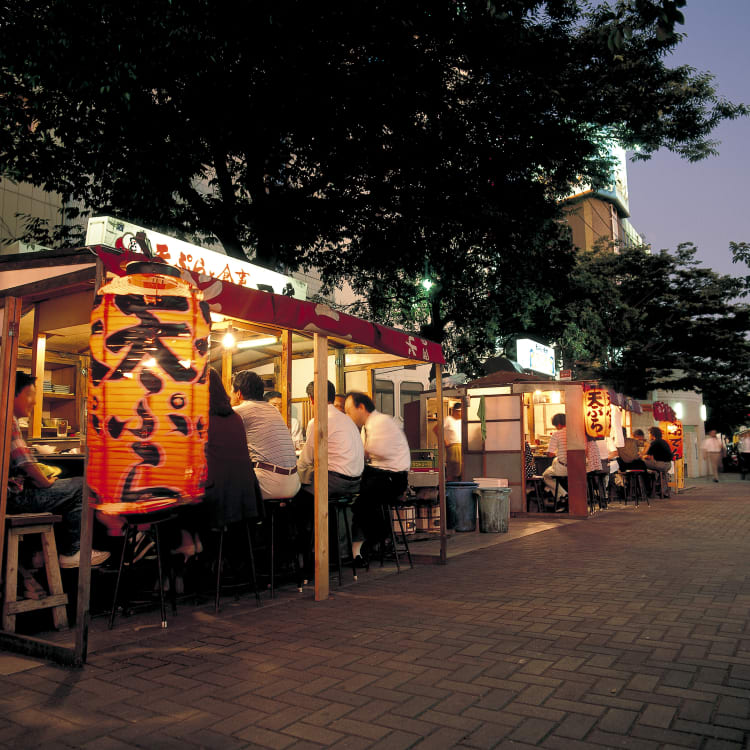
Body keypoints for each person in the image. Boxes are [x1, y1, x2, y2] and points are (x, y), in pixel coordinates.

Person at [8, 372, 110, 569]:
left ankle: (38, 555)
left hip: (12, 496)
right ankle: (73, 551)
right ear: (13, 394)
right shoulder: (8, 421)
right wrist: (45, 481)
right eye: (30, 394)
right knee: (82, 486)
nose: (34, 402)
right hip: (14, 499)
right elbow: (25, 463)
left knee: (68, 487)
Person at [345, 392, 411, 559]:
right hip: (385, 475)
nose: (348, 415)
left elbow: (375, 451)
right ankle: (368, 543)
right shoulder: (370, 425)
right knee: (359, 498)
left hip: (393, 478)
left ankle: (376, 540)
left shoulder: (380, 422)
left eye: (349, 410)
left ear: (361, 407)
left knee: (359, 502)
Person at [231, 370, 300, 500]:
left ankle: (252, 520)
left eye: (231, 391)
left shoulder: (239, 411)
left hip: (268, 484)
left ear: (238, 393)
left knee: (226, 488)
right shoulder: (273, 409)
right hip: (294, 483)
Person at [297, 380, 364, 497]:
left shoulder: (318, 420)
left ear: (311, 399)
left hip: (335, 483)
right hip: (356, 482)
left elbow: (306, 459)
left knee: (298, 494)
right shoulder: (348, 420)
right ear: (333, 397)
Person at [543, 413, 567, 499]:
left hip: (562, 469)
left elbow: (550, 454)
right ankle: (559, 496)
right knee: (555, 463)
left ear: (559, 425)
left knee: (546, 475)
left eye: (556, 426)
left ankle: (563, 495)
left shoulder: (556, 434)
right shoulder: (575, 432)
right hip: (576, 468)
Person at [436, 402, 462, 481]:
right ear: (455, 411)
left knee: (461, 470)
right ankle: (450, 487)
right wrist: (444, 441)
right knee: (453, 469)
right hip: (452, 446)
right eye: (459, 411)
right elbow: (436, 429)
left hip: (462, 446)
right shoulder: (448, 419)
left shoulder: (462, 421)